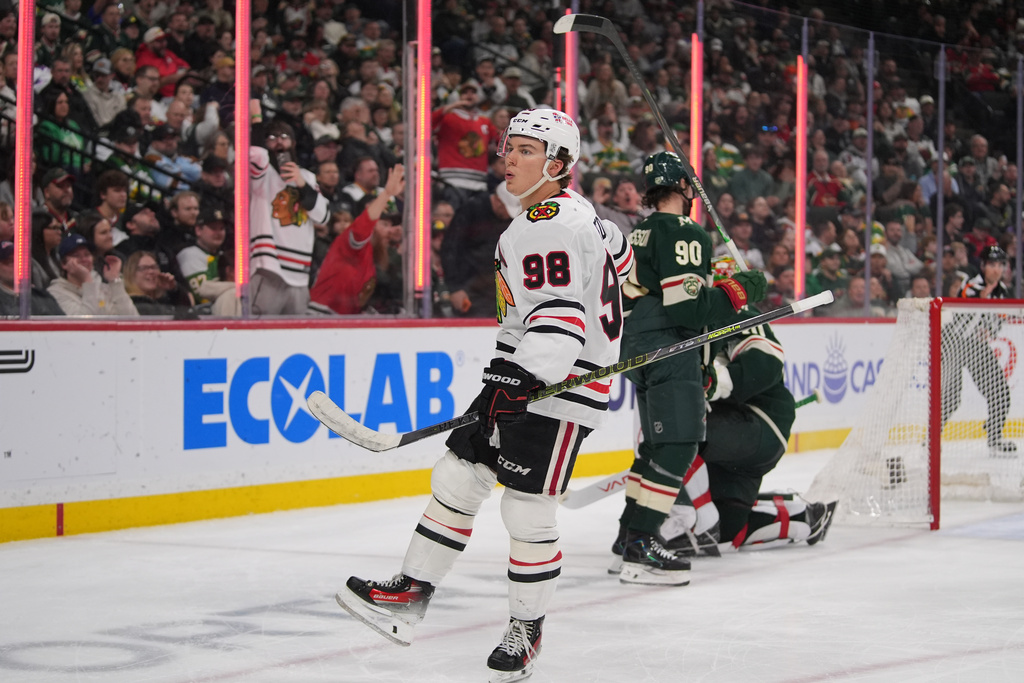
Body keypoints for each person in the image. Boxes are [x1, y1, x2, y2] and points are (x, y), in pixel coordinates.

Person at [334, 109, 633, 682]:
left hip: (560, 387)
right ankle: (410, 593)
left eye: (525, 150)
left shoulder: (543, 225)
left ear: (558, 163)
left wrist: (522, 381)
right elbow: (623, 262)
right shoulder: (581, 217)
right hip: (526, 372)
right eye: (509, 147)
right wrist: (505, 379)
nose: (508, 159)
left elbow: (561, 318)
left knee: (526, 507)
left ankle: (527, 628)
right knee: (458, 476)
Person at [612, 151, 767, 586]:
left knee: (654, 449)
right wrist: (740, 290)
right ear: (684, 188)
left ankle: (627, 536)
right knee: (678, 447)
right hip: (670, 347)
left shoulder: (637, 232)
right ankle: (641, 545)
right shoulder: (685, 232)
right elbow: (689, 309)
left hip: (636, 348)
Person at [659, 291, 834, 556]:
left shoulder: (736, 313)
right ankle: (805, 517)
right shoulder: (681, 317)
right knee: (725, 536)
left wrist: (716, 381)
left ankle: (688, 517)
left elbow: (767, 361)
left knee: (680, 430)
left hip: (757, 426)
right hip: (736, 440)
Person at [249, 114, 330, 315]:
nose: (279, 142)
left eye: (284, 137)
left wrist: (301, 183)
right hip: (269, 268)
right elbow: (255, 155)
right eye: (272, 137)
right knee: (258, 335)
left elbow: (324, 216)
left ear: (293, 142)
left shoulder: (307, 177)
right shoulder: (261, 174)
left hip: (300, 274)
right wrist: (256, 117)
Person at [941, 245, 1016, 456]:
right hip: (953, 343)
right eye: (992, 264)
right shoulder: (971, 284)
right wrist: (982, 297)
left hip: (976, 346)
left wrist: (990, 330)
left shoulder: (1001, 290)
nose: (996, 269)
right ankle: (930, 440)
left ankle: (994, 436)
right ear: (983, 266)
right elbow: (963, 305)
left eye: (1000, 265)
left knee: (1000, 392)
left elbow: (997, 320)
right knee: (950, 398)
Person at [309, 164, 405, 315]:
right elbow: (365, 222)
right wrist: (386, 193)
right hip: (322, 315)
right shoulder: (350, 242)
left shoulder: (376, 259)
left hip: (345, 322)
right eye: (385, 224)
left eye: (392, 225)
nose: (391, 229)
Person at [441, 181, 520, 317]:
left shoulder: (513, 220)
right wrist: (455, 288)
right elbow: (451, 249)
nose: (508, 215)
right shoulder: (470, 211)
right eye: (506, 210)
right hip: (470, 289)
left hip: (503, 290)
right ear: (498, 201)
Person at [47, 233, 139, 316]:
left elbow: (132, 318)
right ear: (63, 264)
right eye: (76, 255)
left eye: (87, 255)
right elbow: (85, 324)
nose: (83, 259)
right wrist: (87, 280)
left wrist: (114, 280)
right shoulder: (56, 293)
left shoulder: (104, 289)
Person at [176, 207, 238, 316]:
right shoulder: (189, 254)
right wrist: (241, 288)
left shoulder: (223, 255)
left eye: (222, 228)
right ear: (198, 230)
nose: (218, 233)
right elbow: (203, 295)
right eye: (213, 228)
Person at [0, 240, 65, 316]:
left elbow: (64, 325)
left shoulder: (42, 296)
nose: (16, 265)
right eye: (9, 261)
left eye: (19, 260)